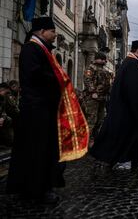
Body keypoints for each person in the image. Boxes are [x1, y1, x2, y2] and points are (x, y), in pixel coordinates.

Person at [7, 17, 88, 204]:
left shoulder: (41, 49)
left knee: (40, 150)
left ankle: (35, 187)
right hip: (37, 111)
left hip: (42, 110)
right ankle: (39, 189)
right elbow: (35, 75)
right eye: (52, 31)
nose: (55, 35)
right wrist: (58, 77)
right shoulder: (31, 49)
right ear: (42, 31)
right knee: (38, 151)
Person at [90, 40, 138, 168]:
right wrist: (136, 109)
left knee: (133, 135)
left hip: (126, 107)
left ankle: (137, 158)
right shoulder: (132, 64)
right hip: (129, 109)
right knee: (123, 134)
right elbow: (133, 89)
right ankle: (108, 158)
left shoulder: (129, 62)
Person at [82, 52, 112, 146]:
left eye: (105, 59)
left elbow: (107, 84)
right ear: (97, 59)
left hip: (102, 98)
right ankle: (88, 140)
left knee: (100, 119)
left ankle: (95, 137)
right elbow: (87, 80)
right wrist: (93, 92)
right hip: (92, 99)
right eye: (102, 59)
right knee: (91, 119)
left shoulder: (104, 70)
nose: (105, 61)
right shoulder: (90, 68)